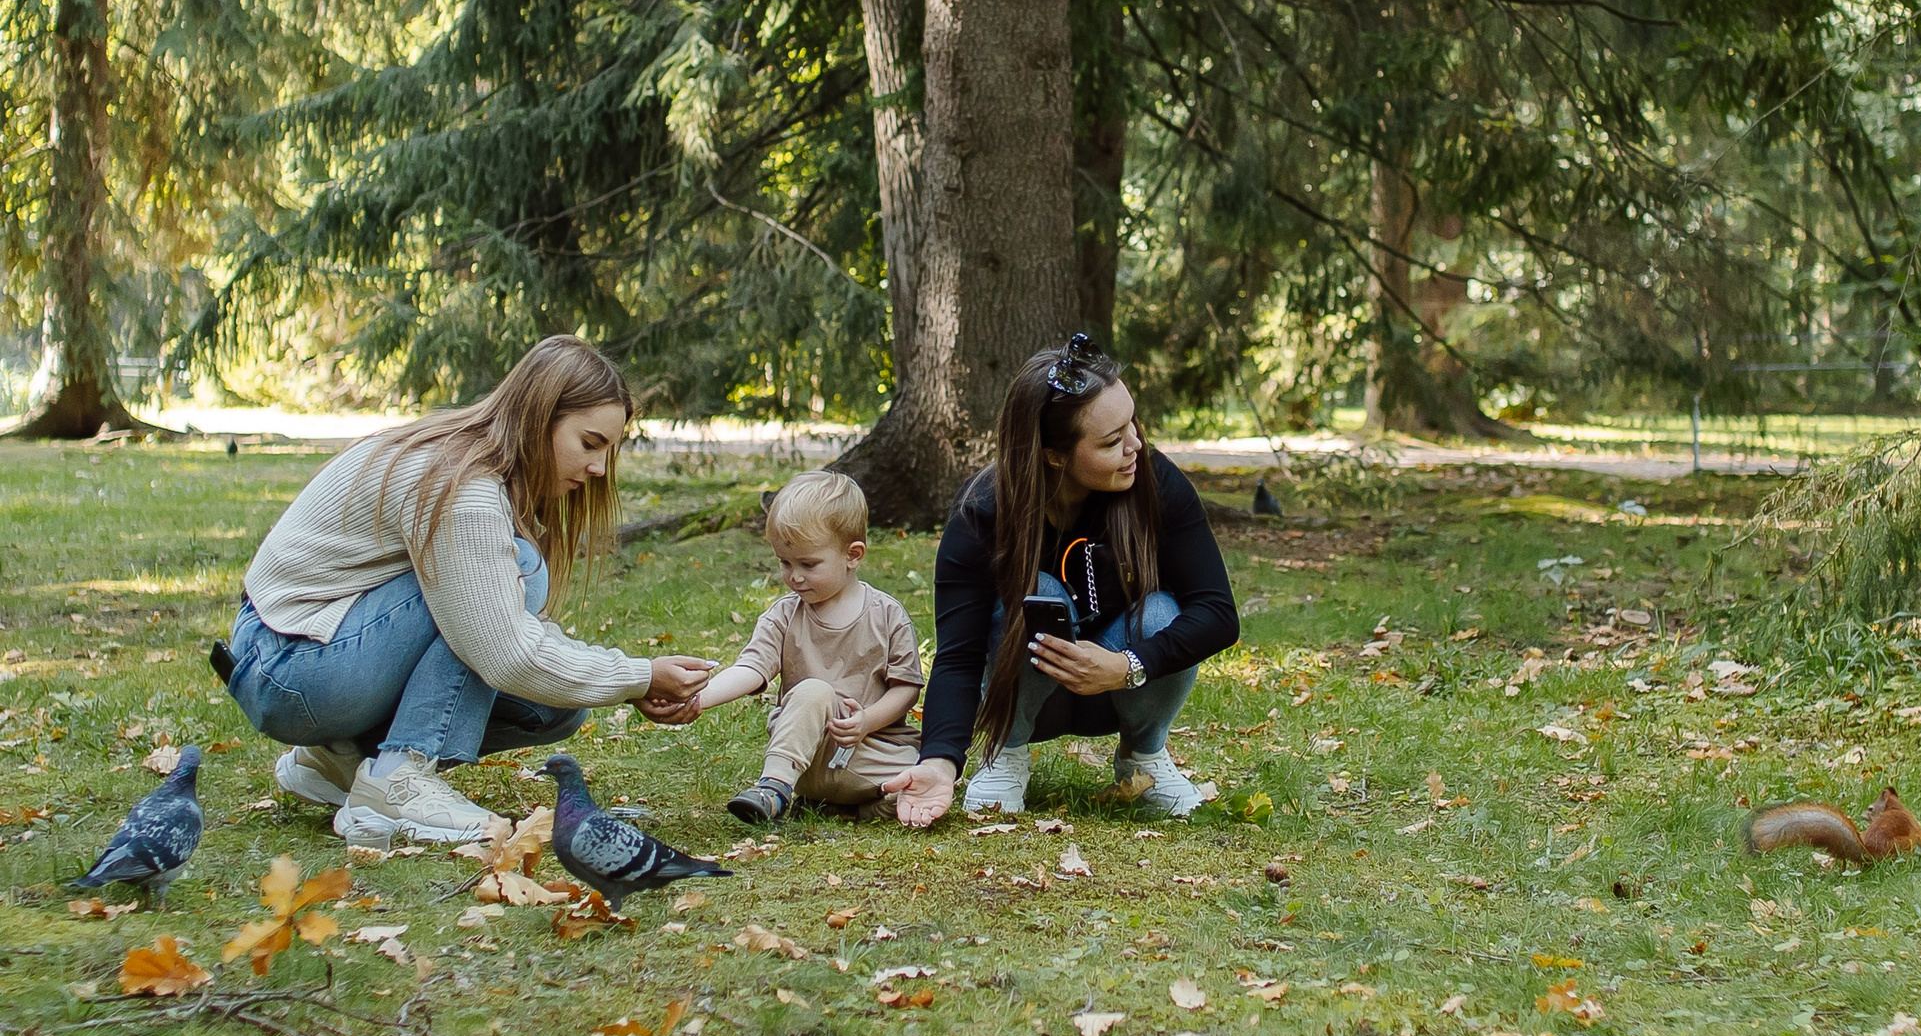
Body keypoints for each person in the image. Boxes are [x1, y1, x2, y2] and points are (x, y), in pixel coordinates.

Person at [220, 336, 717, 845]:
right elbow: (505, 653)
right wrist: (639, 676)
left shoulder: (475, 464)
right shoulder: (463, 486)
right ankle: (398, 776)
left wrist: (629, 682)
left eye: (608, 450)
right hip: (286, 666)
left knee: (557, 706)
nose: (597, 468)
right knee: (519, 572)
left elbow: (521, 645)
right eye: (590, 443)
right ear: (538, 416)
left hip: (304, 663)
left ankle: (335, 761)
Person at [880, 335, 1239, 827]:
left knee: (1159, 613)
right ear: (1053, 456)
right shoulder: (984, 510)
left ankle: (1144, 759)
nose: (1135, 444)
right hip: (1024, 692)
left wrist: (1127, 664)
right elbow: (959, 654)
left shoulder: (1154, 481)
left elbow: (1218, 614)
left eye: (1132, 422)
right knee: (1038, 594)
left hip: (1123, 689)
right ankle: (1006, 756)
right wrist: (940, 761)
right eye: (1112, 441)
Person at [647, 470, 924, 824]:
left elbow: (906, 689)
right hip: (802, 756)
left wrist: (866, 721)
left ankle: (854, 807)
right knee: (814, 691)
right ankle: (773, 788)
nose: (794, 576)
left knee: (919, 780)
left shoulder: (887, 615)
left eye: (808, 564)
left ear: (852, 555)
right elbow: (751, 669)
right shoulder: (783, 616)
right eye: (785, 563)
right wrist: (698, 697)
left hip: (869, 751)